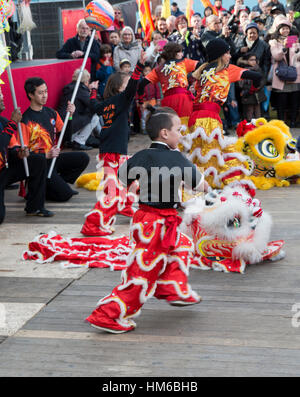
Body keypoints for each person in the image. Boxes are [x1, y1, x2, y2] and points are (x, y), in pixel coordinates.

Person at [85, 106, 207, 334]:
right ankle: (108, 314)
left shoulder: (139, 155)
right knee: (142, 271)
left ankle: (172, 287)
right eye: (178, 130)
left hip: (144, 218)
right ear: (164, 133)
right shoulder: (175, 157)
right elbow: (201, 185)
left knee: (181, 245)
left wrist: (147, 186)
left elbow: (123, 179)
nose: (181, 135)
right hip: (160, 222)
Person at [81, 52, 146, 236]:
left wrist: (93, 90)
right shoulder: (122, 99)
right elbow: (134, 86)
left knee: (122, 181)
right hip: (114, 151)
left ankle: (124, 206)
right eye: (125, 86)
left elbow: (94, 105)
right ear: (119, 88)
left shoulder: (108, 102)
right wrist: (139, 67)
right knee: (113, 189)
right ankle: (93, 224)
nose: (129, 91)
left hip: (110, 149)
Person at [185, 38, 261, 188]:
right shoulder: (227, 70)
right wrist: (252, 90)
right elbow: (257, 77)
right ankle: (207, 191)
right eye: (227, 53)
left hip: (194, 117)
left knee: (199, 155)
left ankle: (195, 188)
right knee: (210, 157)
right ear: (220, 55)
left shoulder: (201, 70)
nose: (230, 56)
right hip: (210, 118)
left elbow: (188, 82)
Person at [21, 77, 89, 202]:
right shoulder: (26, 120)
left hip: (53, 160)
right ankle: (40, 187)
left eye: (46, 91)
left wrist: (70, 117)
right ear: (30, 95)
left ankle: (55, 183)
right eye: (40, 93)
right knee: (65, 195)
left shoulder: (52, 113)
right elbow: (23, 154)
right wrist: (45, 155)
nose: (45, 95)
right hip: (39, 164)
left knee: (83, 158)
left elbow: (67, 137)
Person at [0, 87, 53, 223]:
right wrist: (13, 123)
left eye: (1, 93)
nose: (2, 97)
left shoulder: (4, 122)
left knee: (37, 160)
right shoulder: (9, 123)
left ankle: (34, 207)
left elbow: (11, 149)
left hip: (4, 170)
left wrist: (19, 153)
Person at [138, 42, 199, 126]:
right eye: (180, 52)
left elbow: (141, 84)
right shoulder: (183, 62)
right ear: (175, 53)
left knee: (171, 126)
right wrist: (194, 79)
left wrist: (141, 101)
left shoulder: (158, 69)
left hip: (168, 101)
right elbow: (201, 66)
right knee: (185, 126)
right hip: (183, 99)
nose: (182, 54)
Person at [57, 69, 101, 150]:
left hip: (64, 128)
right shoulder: (80, 89)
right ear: (86, 80)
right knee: (95, 116)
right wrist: (94, 90)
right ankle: (79, 142)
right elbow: (94, 106)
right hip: (70, 128)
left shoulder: (70, 87)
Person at [268, 15, 300, 127]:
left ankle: (292, 121)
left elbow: (296, 54)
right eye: (283, 28)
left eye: (287, 28)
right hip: (281, 75)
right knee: (282, 101)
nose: (285, 30)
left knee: (294, 100)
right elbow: (276, 56)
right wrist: (284, 47)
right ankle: (281, 122)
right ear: (278, 29)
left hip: (293, 73)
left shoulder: (293, 39)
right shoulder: (274, 41)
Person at [237, 54, 267, 121]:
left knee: (257, 110)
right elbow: (240, 83)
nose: (254, 61)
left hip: (257, 93)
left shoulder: (258, 69)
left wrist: (258, 86)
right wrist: (249, 89)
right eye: (251, 60)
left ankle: (259, 125)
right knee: (249, 110)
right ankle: (249, 125)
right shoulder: (243, 70)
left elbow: (263, 79)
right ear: (246, 61)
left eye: (255, 60)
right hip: (247, 93)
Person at [137, 62, 162, 133]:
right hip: (144, 101)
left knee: (154, 114)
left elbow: (157, 90)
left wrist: (158, 99)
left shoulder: (154, 80)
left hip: (153, 100)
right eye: (145, 71)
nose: (147, 72)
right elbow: (138, 92)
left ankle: (154, 128)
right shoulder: (140, 81)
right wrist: (139, 101)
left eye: (149, 70)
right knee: (144, 115)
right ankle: (144, 128)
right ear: (142, 72)